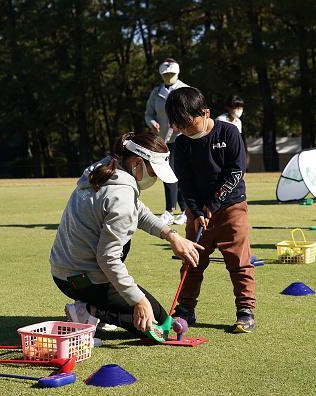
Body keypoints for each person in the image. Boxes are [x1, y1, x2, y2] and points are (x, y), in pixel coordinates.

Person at [50, 132, 203, 338]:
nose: (156, 179)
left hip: (63, 274)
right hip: (85, 279)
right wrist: (138, 300)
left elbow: (138, 211)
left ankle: (93, 307)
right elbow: (108, 257)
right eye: (154, 172)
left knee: (153, 316)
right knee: (160, 329)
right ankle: (89, 312)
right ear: (137, 162)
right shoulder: (120, 193)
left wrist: (172, 235)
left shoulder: (106, 169)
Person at [165, 87, 256, 333]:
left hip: (231, 207)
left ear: (205, 112)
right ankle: (185, 309)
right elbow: (184, 182)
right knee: (192, 261)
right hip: (199, 213)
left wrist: (212, 205)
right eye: (180, 126)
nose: (185, 131)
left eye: (189, 124)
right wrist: (195, 211)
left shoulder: (229, 132)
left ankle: (245, 311)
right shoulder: (182, 144)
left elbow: (236, 171)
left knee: (239, 263)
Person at [145, 58, 189, 225]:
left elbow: (192, 112)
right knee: (169, 174)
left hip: (182, 138)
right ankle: (183, 210)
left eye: (171, 74)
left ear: (177, 73)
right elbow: (149, 113)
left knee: (173, 173)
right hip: (163, 140)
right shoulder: (156, 92)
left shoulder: (185, 90)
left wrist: (182, 124)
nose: (169, 77)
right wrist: (151, 123)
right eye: (166, 74)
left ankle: (172, 210)